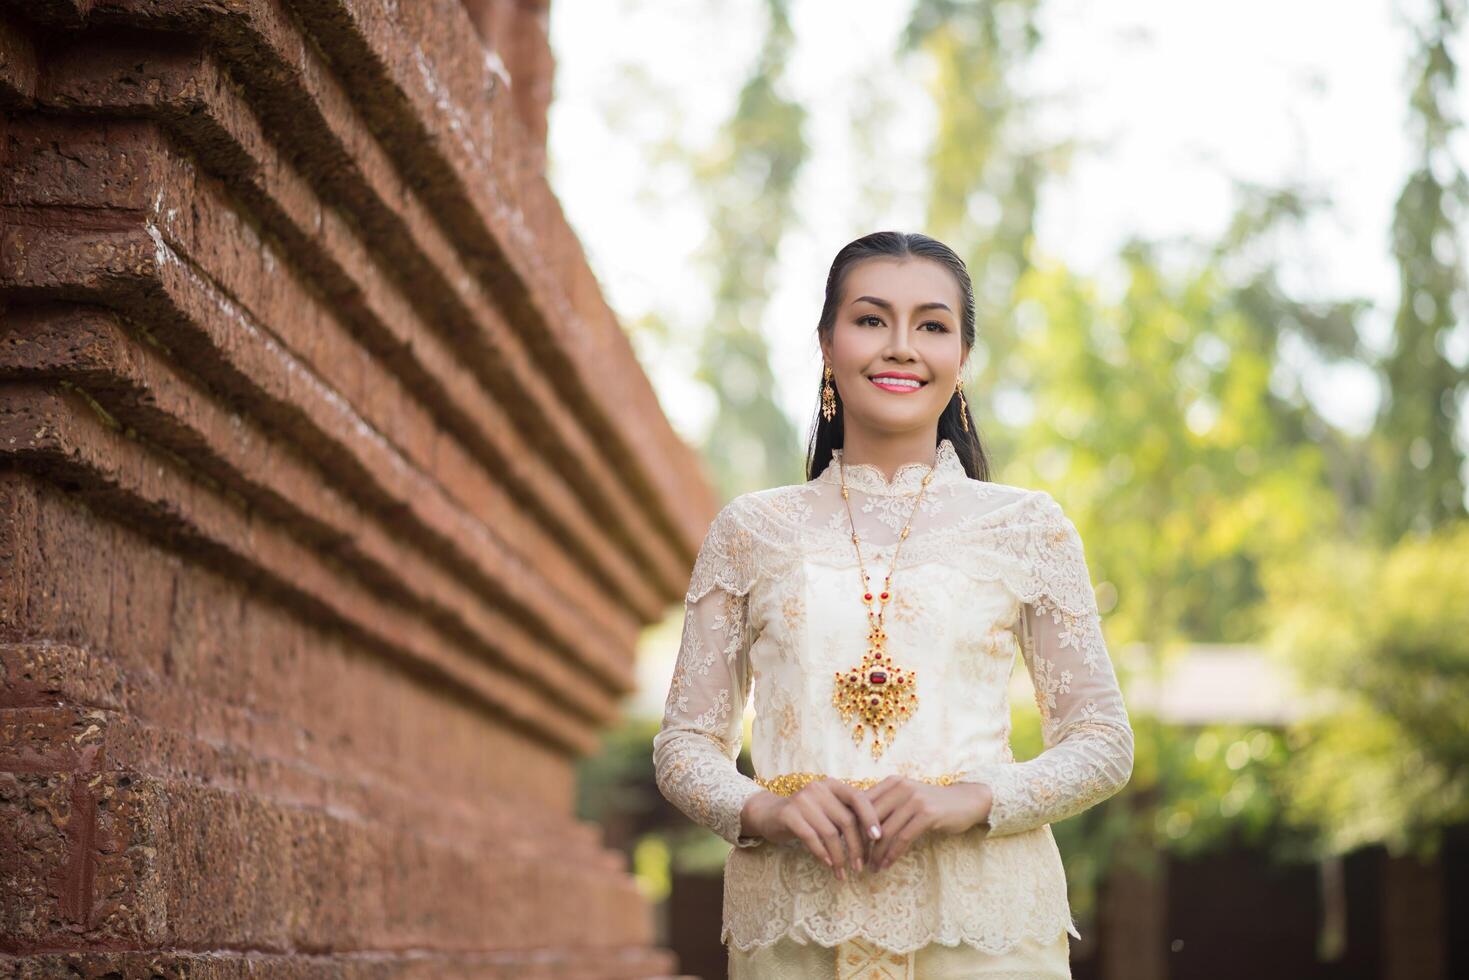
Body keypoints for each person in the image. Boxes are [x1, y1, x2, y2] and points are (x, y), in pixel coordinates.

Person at [651, 230, 1134, 979]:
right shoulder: (751, 531)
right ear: (826, 342)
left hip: (986, 933)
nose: (901, 347)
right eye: (871, 319)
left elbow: (1102, 742)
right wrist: (764, 811)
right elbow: (684, 745)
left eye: (932, 326)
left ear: (962, 356)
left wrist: (971, 799)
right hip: (793, 929)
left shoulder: (1026, 527)